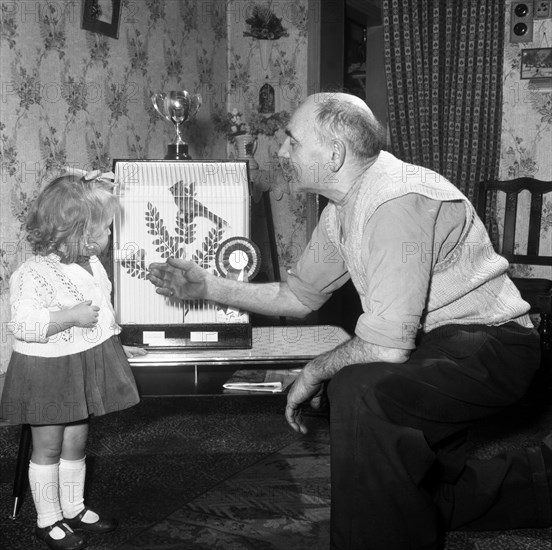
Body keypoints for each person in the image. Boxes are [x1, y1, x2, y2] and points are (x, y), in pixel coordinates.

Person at [146, 92, 551, 549]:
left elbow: (386, 347)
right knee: (416, 490)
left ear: (334, 153)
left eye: (292, 142)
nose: (281, 152)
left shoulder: (395, 201)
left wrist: (313, 371)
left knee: (361, 392)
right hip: (442, 343)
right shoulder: (341, 210)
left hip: (494, 345)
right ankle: (539, 484)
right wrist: (207, 287)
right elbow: (298, 295)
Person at [0, 170, 145, 550]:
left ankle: (74, 507)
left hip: (79, 363)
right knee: (47, 445)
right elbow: (23, 324)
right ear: (78, 234)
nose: (110, 236)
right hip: (47, 370)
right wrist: (67, 318)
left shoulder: (93, 266)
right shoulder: (32, 274)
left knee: (76, 441)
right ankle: (47, 520)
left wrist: (113, 344)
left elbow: (103, 313)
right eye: (105, 230)